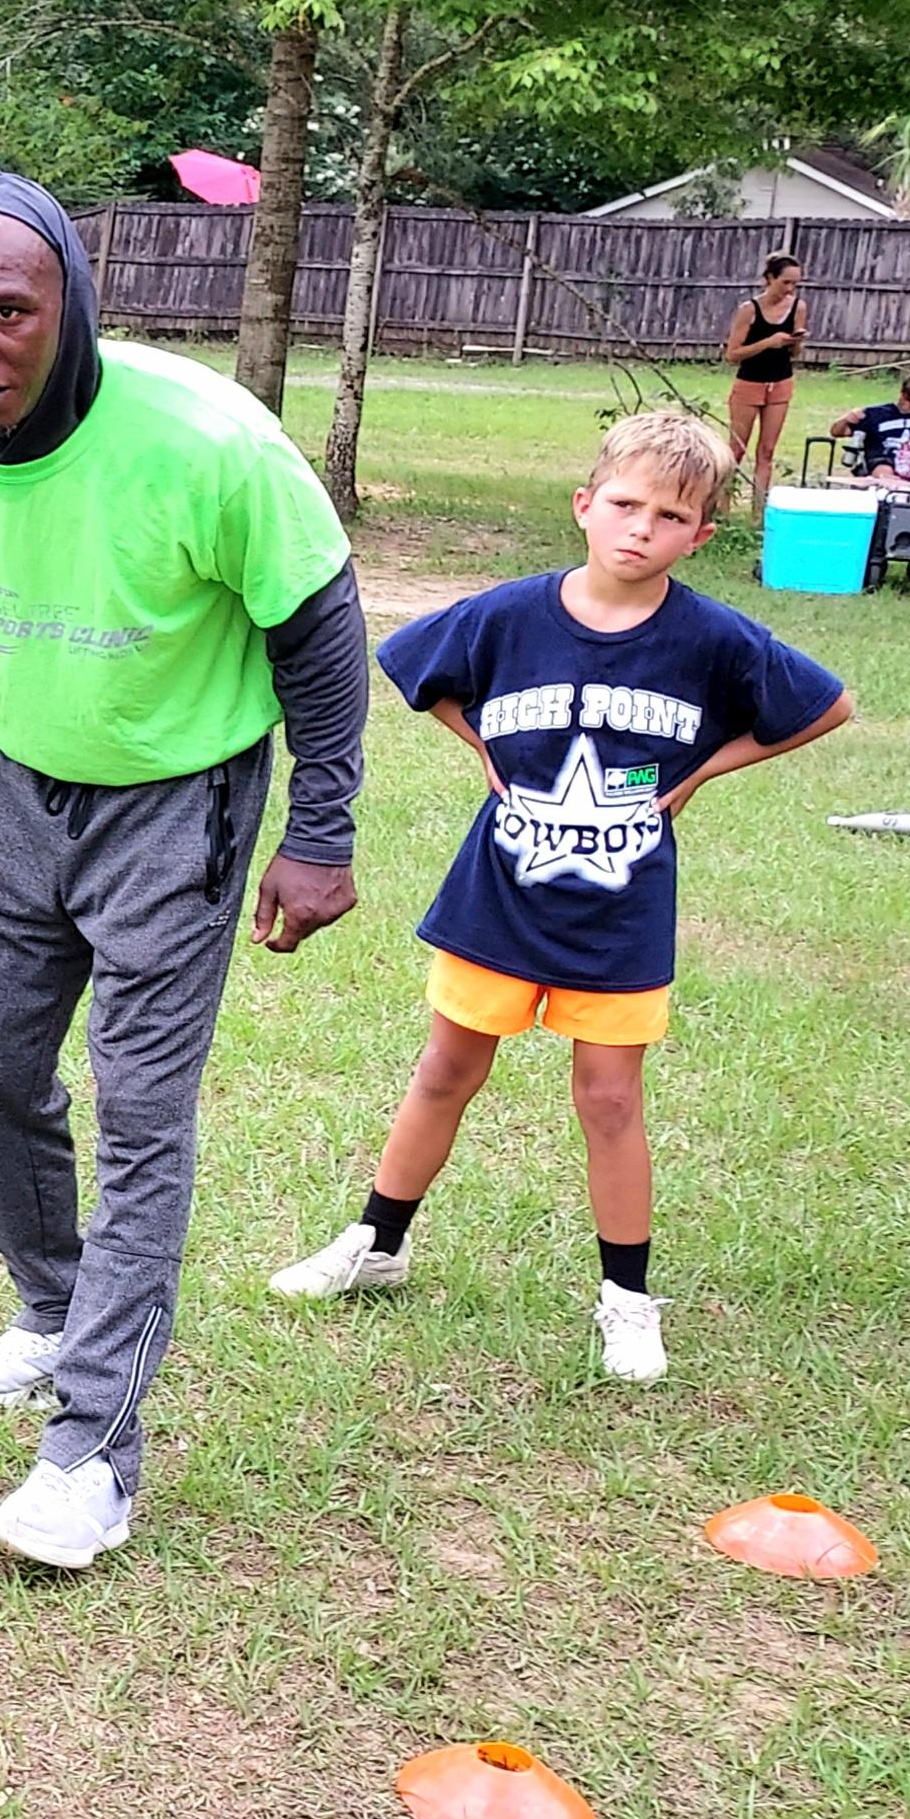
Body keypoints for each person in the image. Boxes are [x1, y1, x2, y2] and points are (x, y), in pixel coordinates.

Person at [0, 172, 368, 1570]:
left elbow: (323, 633)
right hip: (8, 794)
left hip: (181, 807)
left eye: (5, 313)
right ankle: (49, 1309)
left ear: (71, 305)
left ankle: (91, 1450)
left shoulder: (207, 441)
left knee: (140, 1114)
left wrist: (321, 831)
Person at [271, 411, 853, 1382]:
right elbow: (413, 663)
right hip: (498, 897)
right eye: (624, 504)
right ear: (585, 505)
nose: (640, 528)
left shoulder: (710, 638)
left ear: (699, 535)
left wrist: (703, 770)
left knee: (611, 1097)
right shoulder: (511, 615)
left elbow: (824, 703)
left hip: (620, 913)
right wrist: (487, 749)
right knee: (445, 1070)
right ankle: (378, 1242)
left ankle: (627, 1297)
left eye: (670, 515)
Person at [724, 252, 807, 500]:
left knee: (767, 451)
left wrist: (796, 342)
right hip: (750, 382)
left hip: (780, 381)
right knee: (737, 449)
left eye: (795, 284)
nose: (790, 289)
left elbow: (795, 353)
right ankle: (722, 505)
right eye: (785, 283)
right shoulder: (749, 310)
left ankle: (759, 510)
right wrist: (768, 342)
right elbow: (733, 354)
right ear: (769, 278)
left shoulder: (798, 307)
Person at [831, 369, 910, 486]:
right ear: (902, 393)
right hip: (884, 459)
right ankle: (894, 489)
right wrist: (846, 419)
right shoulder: (876, 414)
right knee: (883, 468)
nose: (907, 406)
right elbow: (837, 432)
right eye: (907, 399)